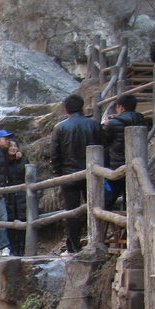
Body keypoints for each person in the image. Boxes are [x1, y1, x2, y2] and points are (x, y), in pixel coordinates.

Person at [51, 94, 101, 253]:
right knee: (95, 207)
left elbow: (55, 154)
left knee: (71, 212)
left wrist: (59, 173)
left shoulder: (60, 127)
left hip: (69, 174)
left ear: (66, 109)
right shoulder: (93, 124)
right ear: (82, 107)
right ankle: (97, 241)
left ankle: (73, 246)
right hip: (92, 173)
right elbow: (103, 146)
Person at [102, 93, 148, 210]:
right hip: (138, 165)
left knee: (108, 201)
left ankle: (102, 225)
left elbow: (103, 141)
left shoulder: (112, 123)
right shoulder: (142, 121)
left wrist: (106, 122)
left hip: (116, 166)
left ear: (121, 107)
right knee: (133, 201)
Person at [5, 138, 29, 256]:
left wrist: (21, 157)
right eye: (10, 146)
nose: (13, 148)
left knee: (22, 219)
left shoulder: (23, 159)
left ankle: (22, 248)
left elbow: (29, 173)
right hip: (8, 195)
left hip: (22, 194)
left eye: (15, 146)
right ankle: (12, 248)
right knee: (10, 221)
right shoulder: (4, 161)